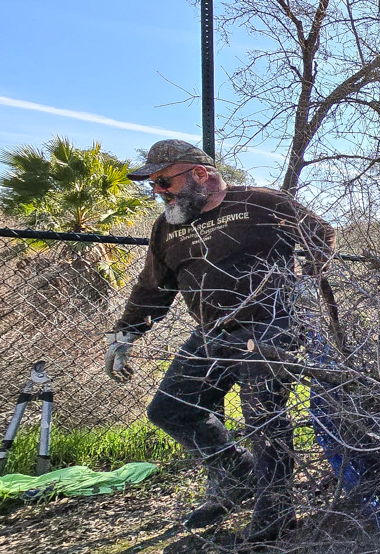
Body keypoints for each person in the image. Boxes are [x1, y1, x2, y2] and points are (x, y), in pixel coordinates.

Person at [102, 139, 334, 543]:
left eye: (162, 180)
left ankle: (276, 510)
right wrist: (125, 333)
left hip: (271, 324)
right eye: (152, 184)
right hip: (212, 332)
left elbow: (321, 234)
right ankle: (237, 475)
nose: (157, 190)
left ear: (200, 174)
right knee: (171, 410)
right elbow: (152, 288)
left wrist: (308, 284)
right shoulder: (167, 228)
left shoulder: (261, 201)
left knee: (263, 417)